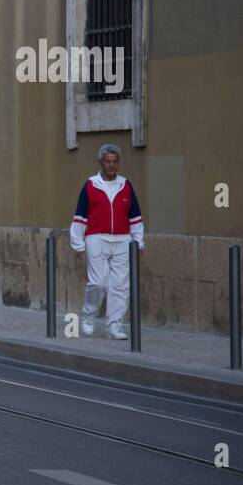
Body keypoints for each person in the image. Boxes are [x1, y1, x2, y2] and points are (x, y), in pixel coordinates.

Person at [70, 143, 144, 340]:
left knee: (120, 285)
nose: (111, 165)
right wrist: (78, 243)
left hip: (122, 239)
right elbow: (80, 216)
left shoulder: (125, 185)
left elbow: (135, 216)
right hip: (96, 237)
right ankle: (88, 316)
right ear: (101, 163)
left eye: (115, 161)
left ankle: (115, 325)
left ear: (118, 163)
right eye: (108, 162)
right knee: (98, 282)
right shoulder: (91, 185)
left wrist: (139, 241)